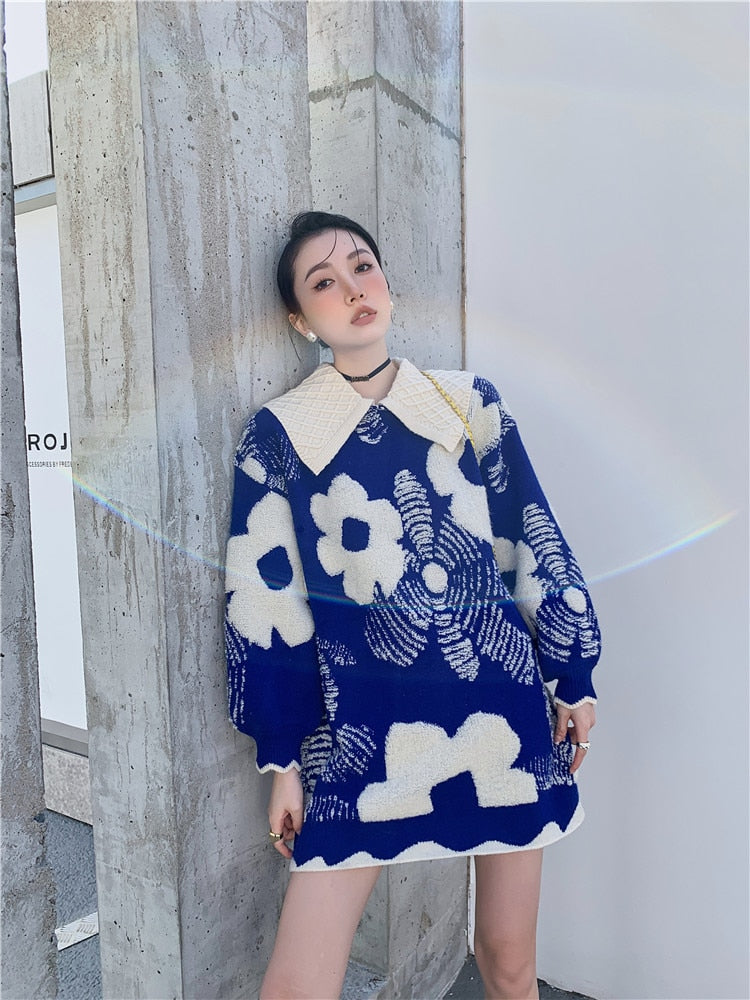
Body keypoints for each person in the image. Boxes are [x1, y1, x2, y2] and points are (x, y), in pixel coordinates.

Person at [225, 211, 600, 1000]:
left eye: (362, 266)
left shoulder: (471, 404)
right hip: (363, 739)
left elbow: (531, 539)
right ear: (301, 320)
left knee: (508, 963)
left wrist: (574, 676)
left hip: (501, 719)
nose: (352, 289)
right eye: (324, 282)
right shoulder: (279, 437)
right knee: (294, 989)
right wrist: (283, 761)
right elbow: (266, 603)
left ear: (388, 282)